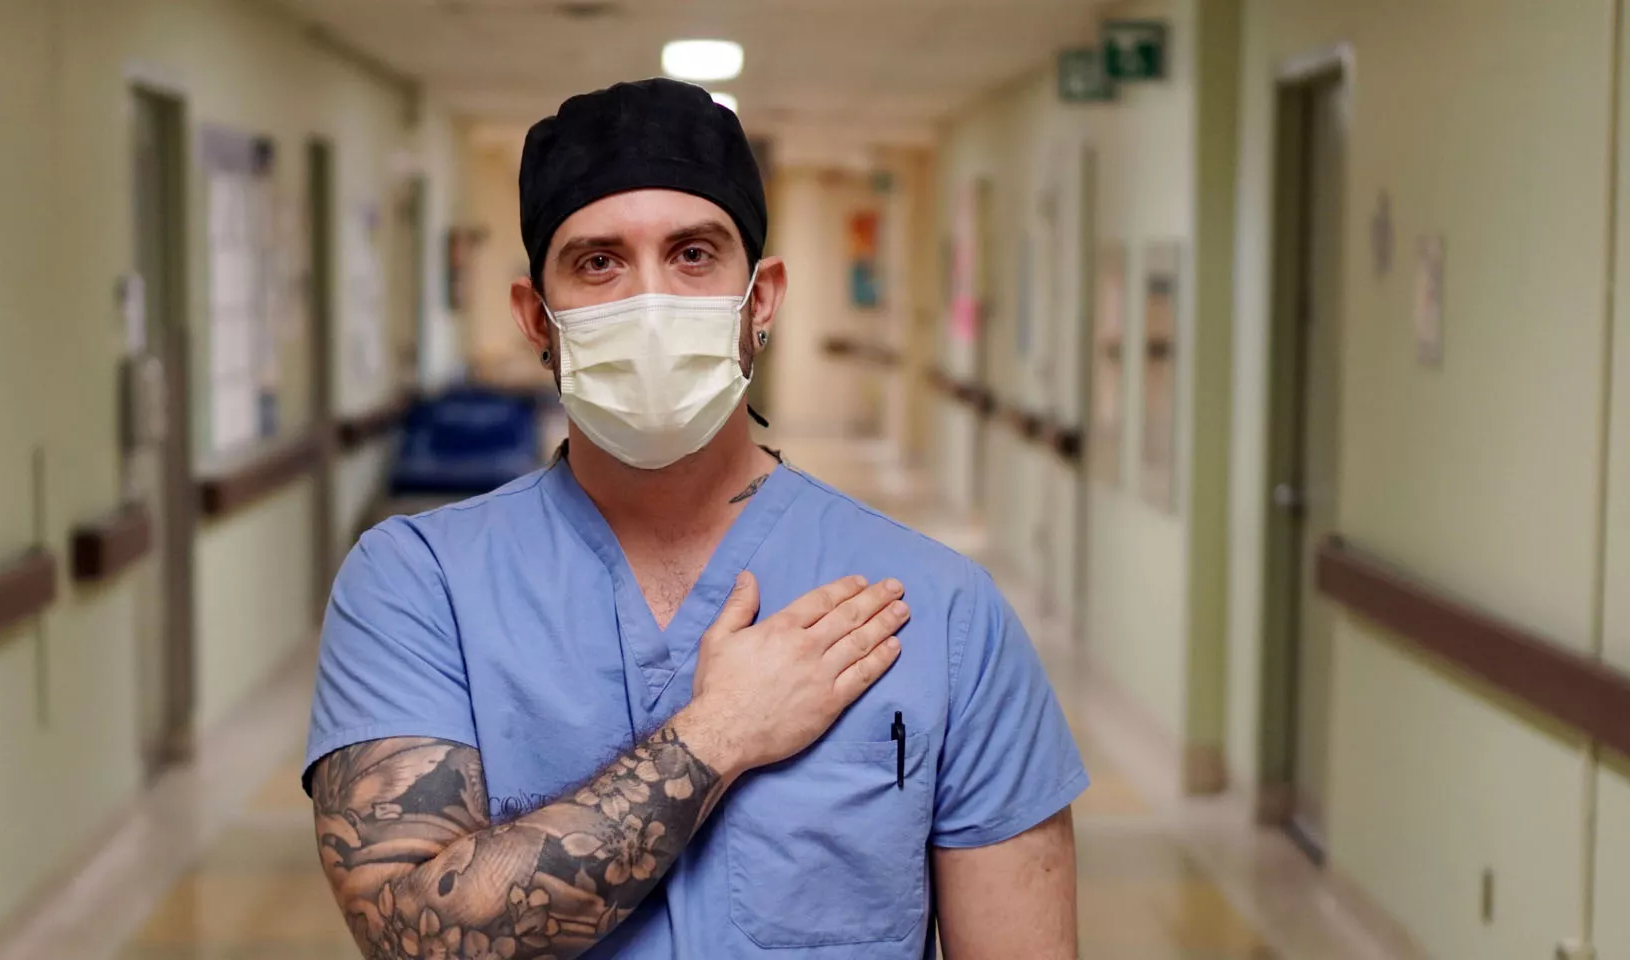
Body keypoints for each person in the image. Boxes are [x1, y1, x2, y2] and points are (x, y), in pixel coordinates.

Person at [305, 78, 1085, 960]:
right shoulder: (416, 584)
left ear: (761, 301)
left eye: (693, 255)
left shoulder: (944, 614)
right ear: (536, 318)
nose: (651, 304)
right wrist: (718, 735)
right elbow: (411, 934)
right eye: (598, 262)